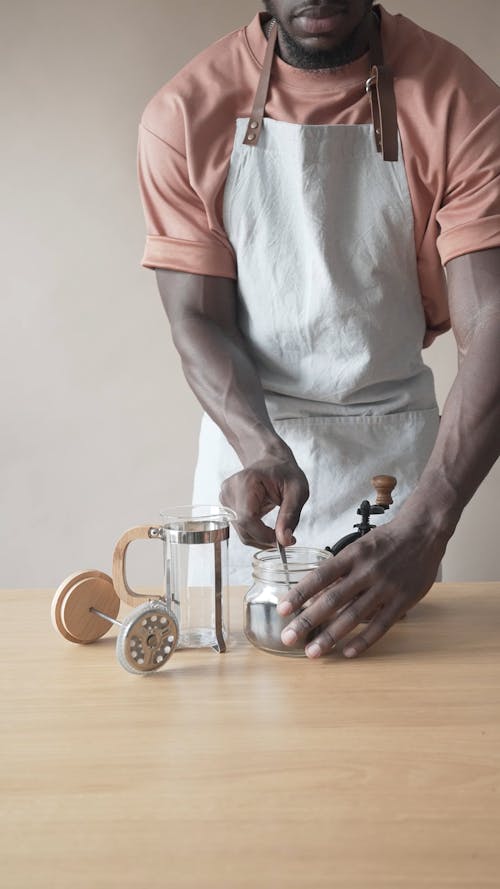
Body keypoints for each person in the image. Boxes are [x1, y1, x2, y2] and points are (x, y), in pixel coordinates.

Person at [137, 2, 500, 658]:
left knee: (394, 719)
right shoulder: (185, 114)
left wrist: (426, 526)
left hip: (398, 466)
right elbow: (195, 316)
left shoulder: (461, 101)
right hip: (251, 467)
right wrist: (260, 446)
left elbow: (493, 319)